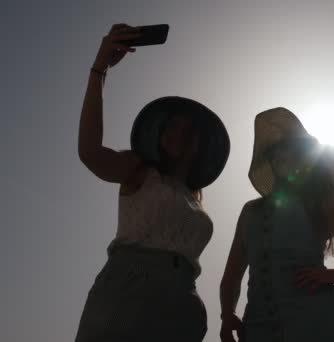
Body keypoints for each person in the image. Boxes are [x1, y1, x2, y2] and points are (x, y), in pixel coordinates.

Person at [75, 23, 230, 342]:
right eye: (171, 127)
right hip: (130, 294)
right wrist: (100, 68)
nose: (178, 134)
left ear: (201, 143)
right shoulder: (140, 169)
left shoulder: (193, 195)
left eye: (189, 131)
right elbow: (90, 152)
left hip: (183, 304)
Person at [219, 107, 334, 342]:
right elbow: (232, 274)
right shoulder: (251, 211)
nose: (281, 155)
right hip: (257, 325)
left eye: (289, 148)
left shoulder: (329, 200)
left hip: (313, 320)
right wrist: (227, 316)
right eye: (275, 151)